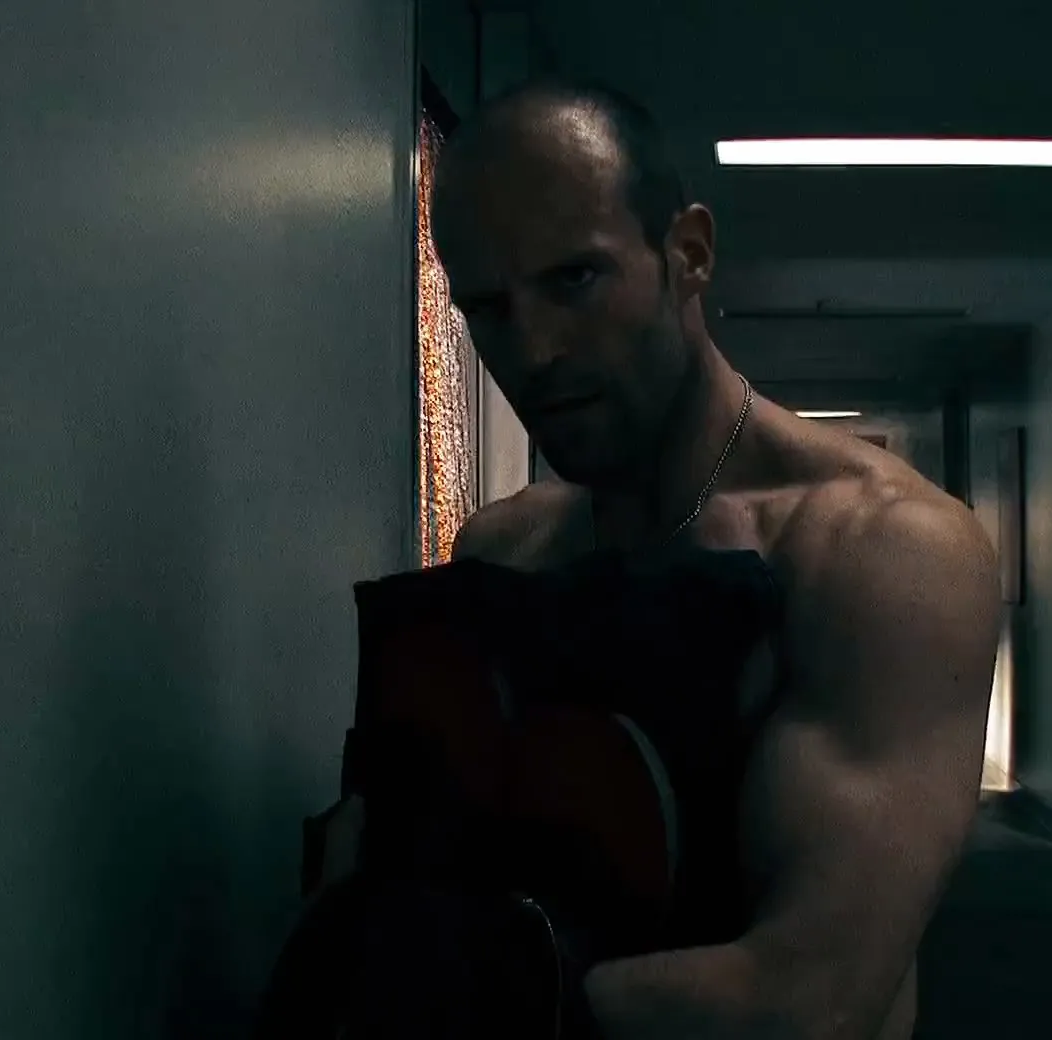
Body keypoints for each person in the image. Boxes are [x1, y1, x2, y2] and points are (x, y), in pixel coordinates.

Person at [321, 79, 1000, 1040]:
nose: (532, 351)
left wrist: (455, 990)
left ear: (688, 254)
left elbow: (811, 999)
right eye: (489, 307)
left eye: (574, 280)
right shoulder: (506, 548)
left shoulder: (883, 553)